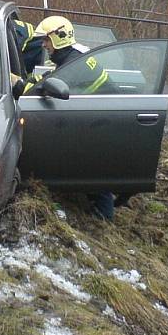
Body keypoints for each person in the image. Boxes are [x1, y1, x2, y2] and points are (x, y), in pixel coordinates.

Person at [28, 15, 119, 221]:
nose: (43, 45)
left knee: (93, 172)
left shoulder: (73, 64)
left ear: (59, 38)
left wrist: (20, 87)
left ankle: (103, 218)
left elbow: (42, 90)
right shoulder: (74, 55)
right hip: (97, 118)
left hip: (100, 124)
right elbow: (52, 77)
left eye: (46, 40)